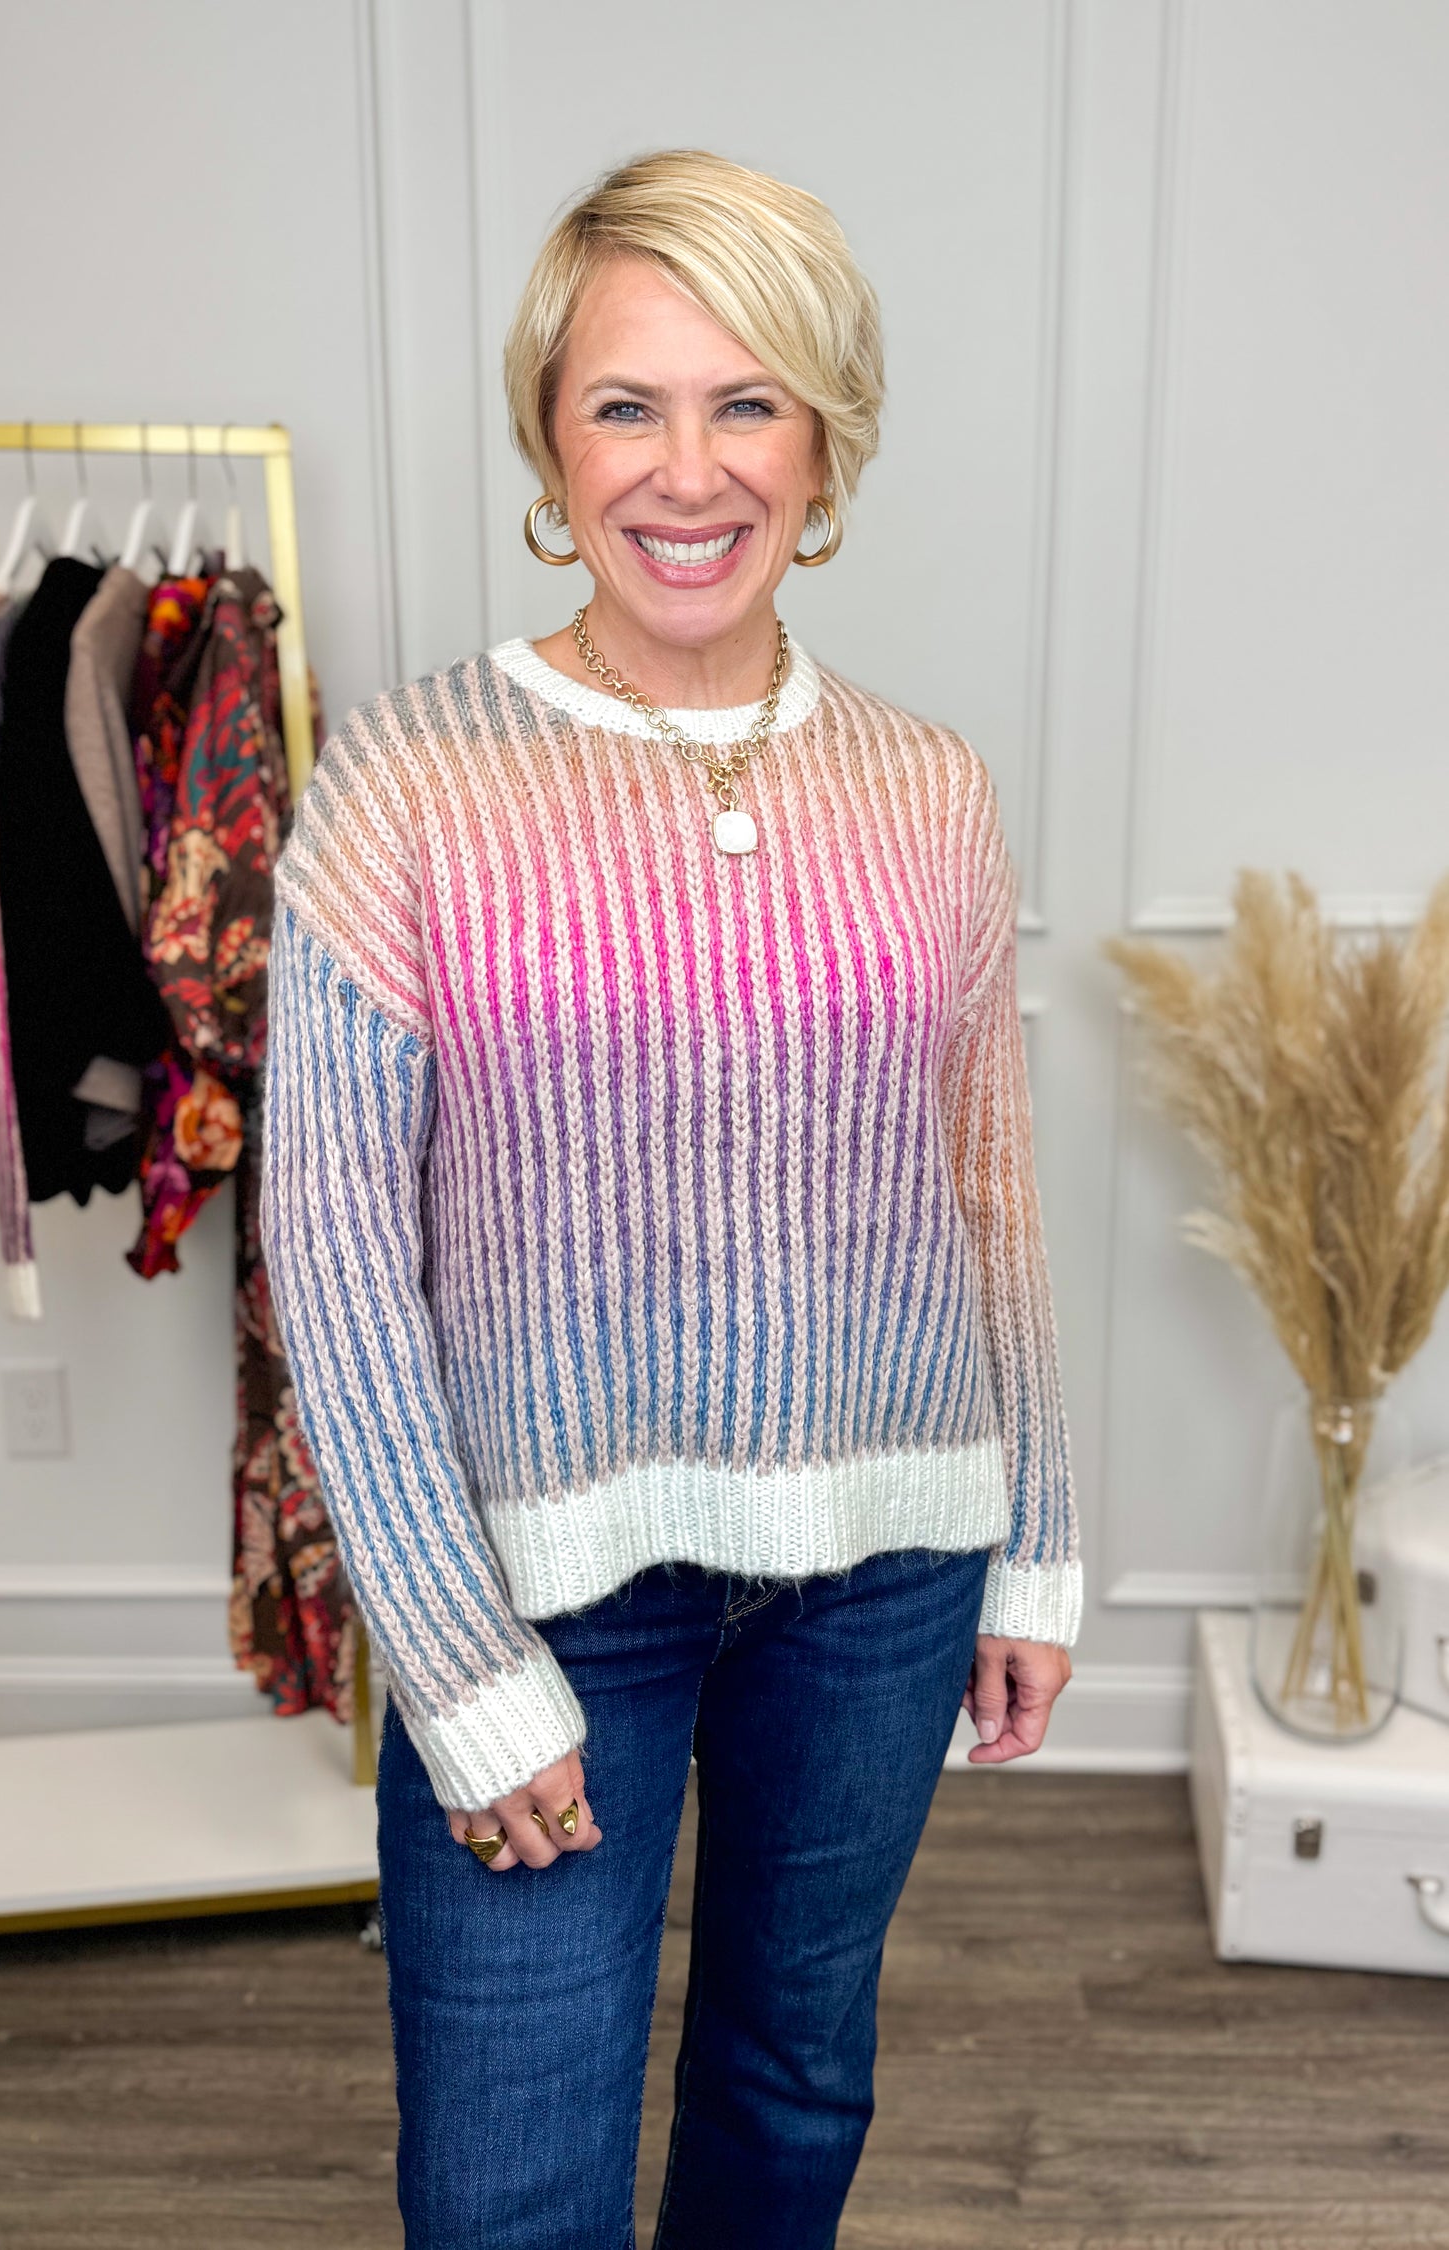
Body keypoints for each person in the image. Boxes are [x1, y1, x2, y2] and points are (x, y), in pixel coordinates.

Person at [261, 146, 1082, 2250]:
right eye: (628, 403)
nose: (687, 470)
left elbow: (985, 1177)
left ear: (825, 440)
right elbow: (333, 1259)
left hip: (889, 1565)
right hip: (546, 1588)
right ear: (552, 435)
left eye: (750, 402)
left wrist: (1038, 1544)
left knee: (797, 2084)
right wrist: (455, 1662)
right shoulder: (410, 781)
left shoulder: (929, 786)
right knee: (510, 2182)